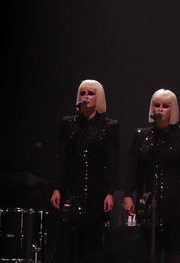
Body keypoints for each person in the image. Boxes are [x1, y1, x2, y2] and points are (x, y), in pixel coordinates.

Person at [123, 89, 180, 263]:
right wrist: (128, 194)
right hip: (149, 201)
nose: (160, 109)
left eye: (165, 106)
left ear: (173, 110)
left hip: (176, 200)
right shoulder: (141, 135)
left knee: (174, 247)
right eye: (157, 105)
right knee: (150, 248)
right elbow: (132, 167)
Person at [50, 79, 119, 263]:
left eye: (90, 93)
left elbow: (112, 162)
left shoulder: (109, 126)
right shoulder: (68, 124)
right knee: (70, 243)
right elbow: (62, 157)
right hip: (72, 191)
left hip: (96, 193)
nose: (85, 97)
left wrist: (110, 192)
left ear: (99, 97)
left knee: (93, 243)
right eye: (82, 93)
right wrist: (57, 187)